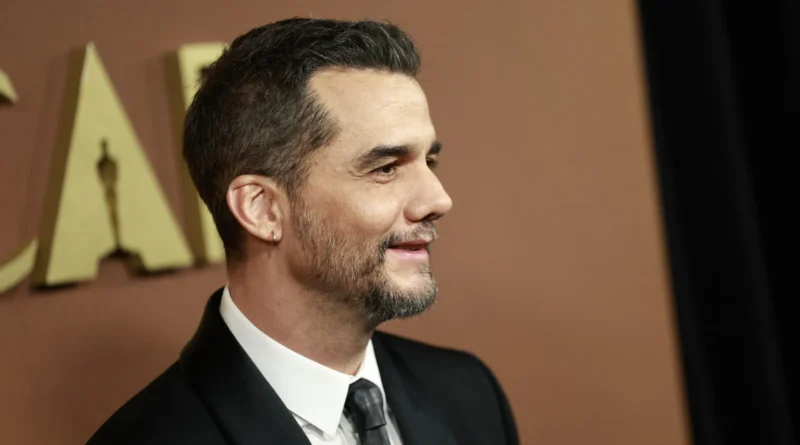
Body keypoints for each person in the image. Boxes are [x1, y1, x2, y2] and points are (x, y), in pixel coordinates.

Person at [87, 18, 519, 445]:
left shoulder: (469, 393)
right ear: (262, 209)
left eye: (429, 162)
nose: (438, 200)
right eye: (386, 168)